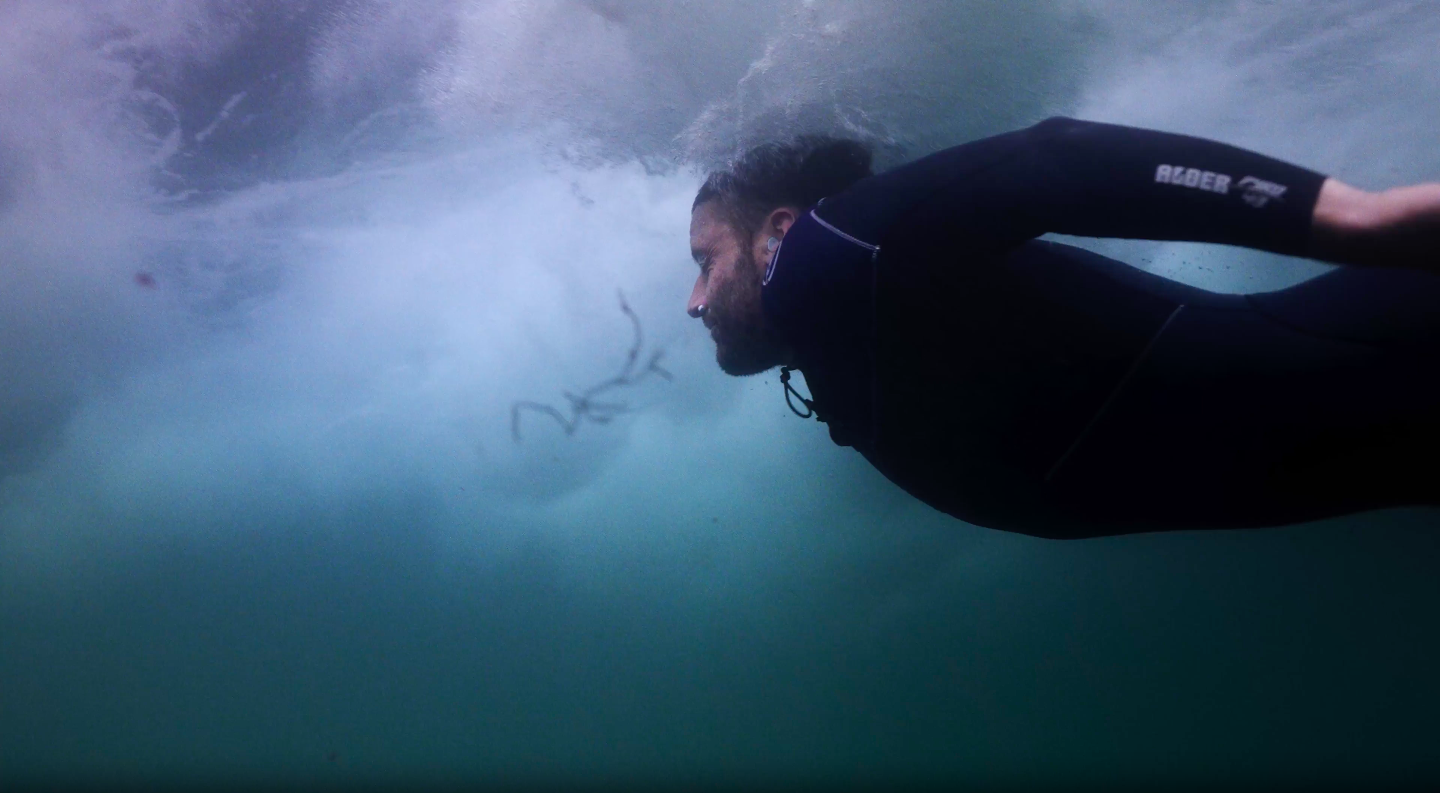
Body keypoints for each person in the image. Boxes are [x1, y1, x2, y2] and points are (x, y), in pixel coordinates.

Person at [686, 116, 1440, 539]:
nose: (694, 301)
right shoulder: (848, 329)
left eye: (704, 260)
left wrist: (1356, 218)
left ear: (776, 232)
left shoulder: (824, 258)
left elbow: (1055, 160)